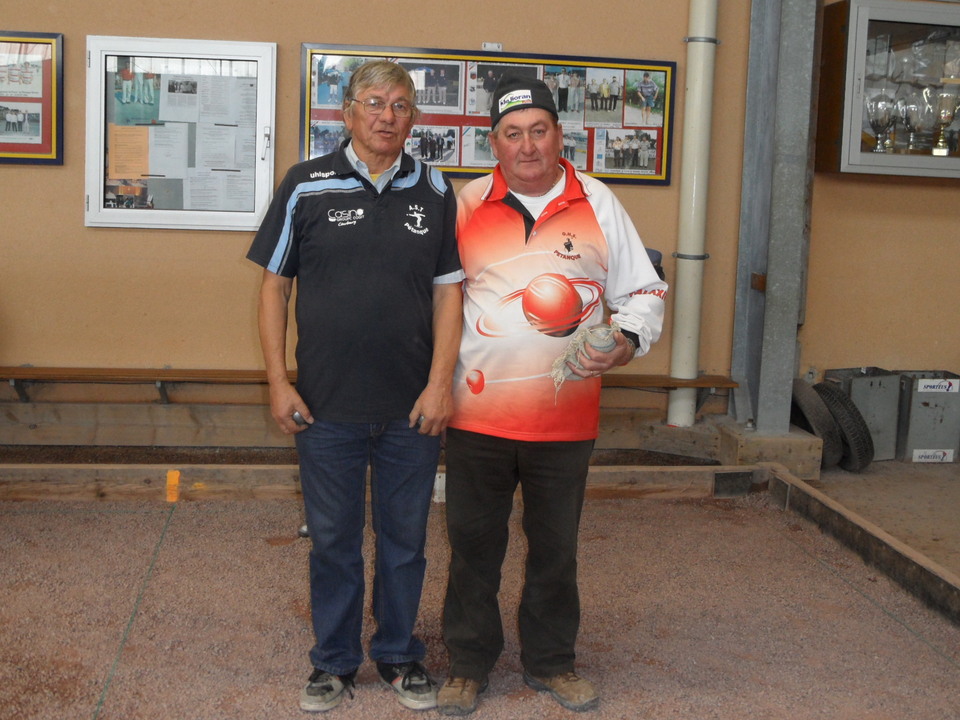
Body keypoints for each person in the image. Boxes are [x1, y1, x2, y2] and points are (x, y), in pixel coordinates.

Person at [436, 74, 667, 716]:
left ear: (561, 135)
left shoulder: (597, 201)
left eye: (539, 131)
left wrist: (624, 340)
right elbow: (436, 300)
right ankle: (467, 665)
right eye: (513, 134)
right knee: (473, 548)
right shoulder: (467, 204)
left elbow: (644, 293)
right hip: (477, 416)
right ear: (494, 143)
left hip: (565, 421)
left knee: (556, 550)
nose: (528, 146)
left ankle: (551, 662)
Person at [246, 60, 463, 714]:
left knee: (405, 543)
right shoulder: (305, 185)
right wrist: (278, 381)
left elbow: (449, 293)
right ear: (347, 113)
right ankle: (334, 663)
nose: (386, 115)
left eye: (400, 105)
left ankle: (399, 656)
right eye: (374, 102)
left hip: (410, 411)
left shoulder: (433, 188)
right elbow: (273, 286)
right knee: (334, 542)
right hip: (325, 408)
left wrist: (439, 386)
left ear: (412, 119)